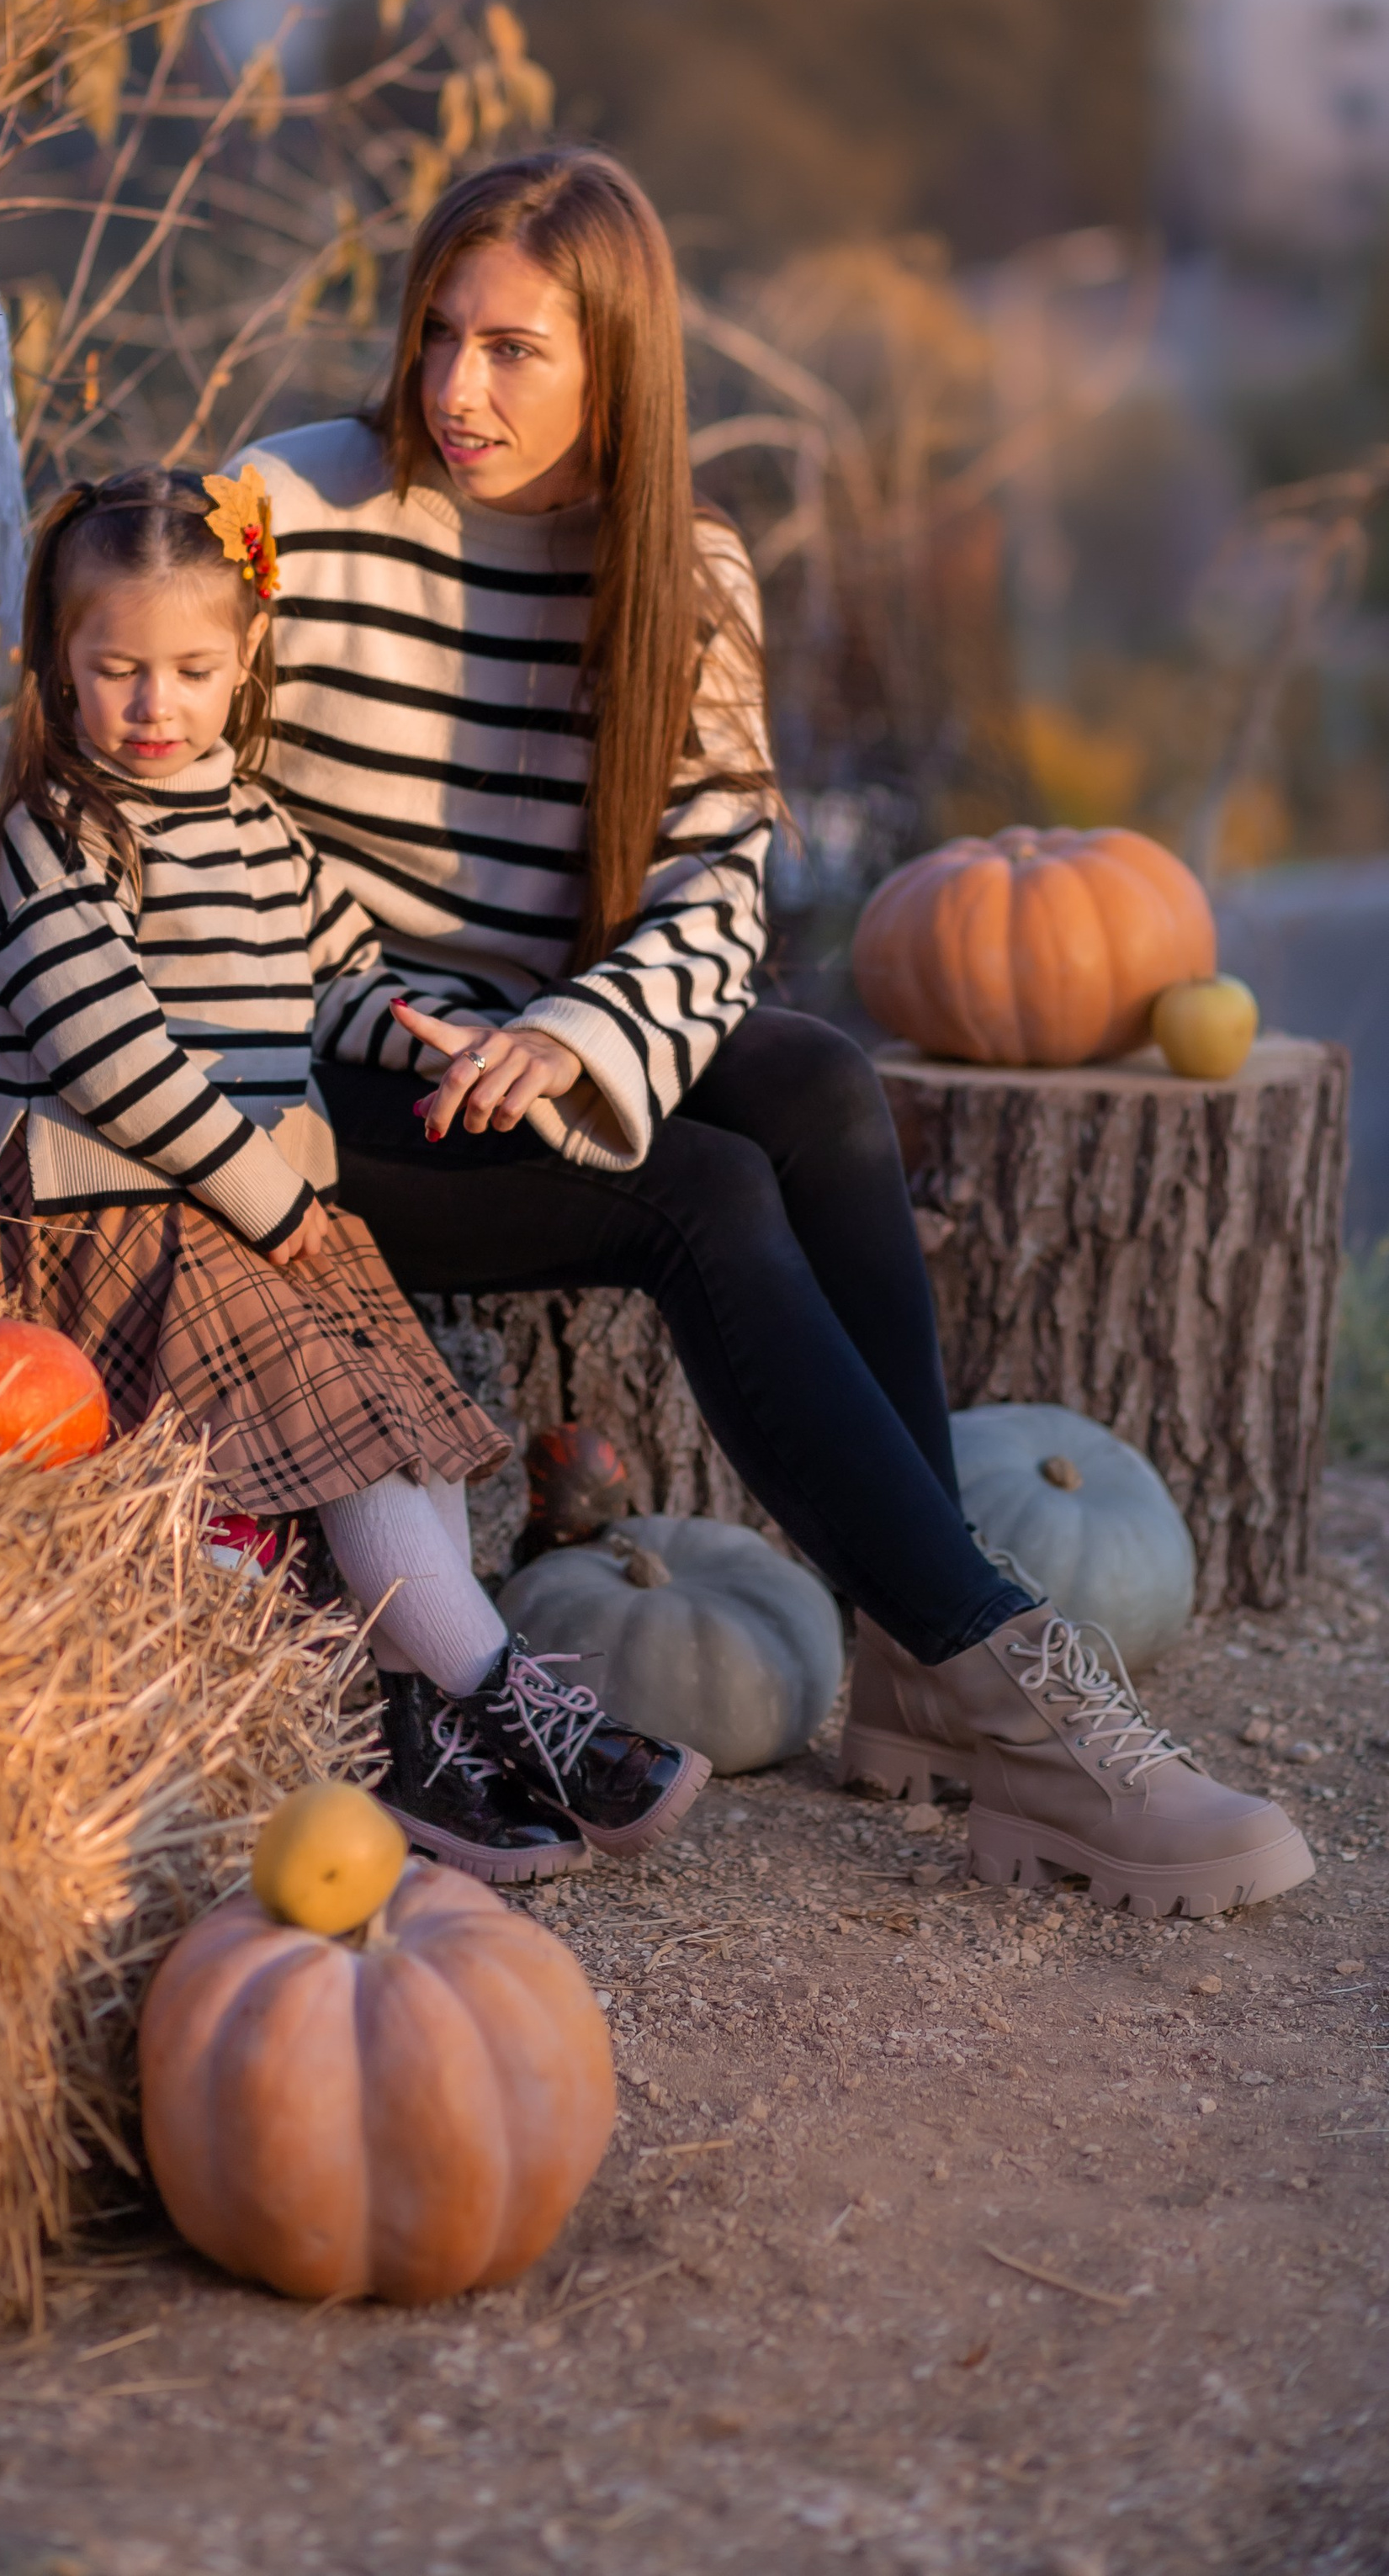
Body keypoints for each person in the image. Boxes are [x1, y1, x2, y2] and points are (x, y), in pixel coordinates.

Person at [227, 146, 1312, 1923]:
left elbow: (715, 897)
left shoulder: (680, 569)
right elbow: (193, 825)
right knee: (696, 1197)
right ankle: (1009, 1693)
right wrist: (396, 1016)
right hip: (291, 1073)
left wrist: (576, 1042)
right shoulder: (290, 509)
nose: (454, 389)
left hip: (516, 1044)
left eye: (513, 351)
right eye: (438, 335)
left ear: (615, 368)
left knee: (806, 1077)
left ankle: (906, 1650)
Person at [0, 462, 710, 1883]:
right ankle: (508, 1705)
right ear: (60, 667)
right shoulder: (57, 841)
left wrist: (432, 1041)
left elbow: (330, 985)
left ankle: (424, 1729)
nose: (155, 706)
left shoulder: (259, 832)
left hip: (236, 1211)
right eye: (117, 671)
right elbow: (114, 1061)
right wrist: (277, 1205)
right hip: (97, 1220)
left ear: (246, 659)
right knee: (351, 1423)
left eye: (191, 670)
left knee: (393, 1424)